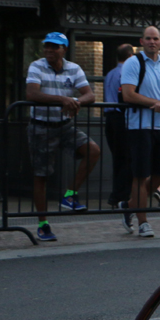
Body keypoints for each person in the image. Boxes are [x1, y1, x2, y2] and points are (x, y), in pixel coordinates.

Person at [23, 33, 99, 241]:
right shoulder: (36, 66)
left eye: (54, 47)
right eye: (46, 46)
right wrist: (63, 100)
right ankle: (43, 224)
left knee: (93, 150)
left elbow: (90, 94)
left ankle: (69, 196)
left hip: (65, 125)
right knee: (42, 176)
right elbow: (32, 94)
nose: (49, 50)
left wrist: (75, 102)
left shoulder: (73, 68)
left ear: (64, 49)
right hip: (41, 126)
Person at [120, 25, 160, 238]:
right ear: (141, 41)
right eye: (148, 38)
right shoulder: (132, 63)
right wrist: (159, 103)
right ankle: (143, 221)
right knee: (140, 174)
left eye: (155, 38)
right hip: (139, 126)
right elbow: (128, 94)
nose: (152, 42)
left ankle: (129, 205)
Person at [103, 43, 136, 210]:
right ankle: (119, 195)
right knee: (126, 158)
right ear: (130, 56)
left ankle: (117, 194)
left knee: (118, 157)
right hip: (120, 116)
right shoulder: (125, 73)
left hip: (109, 117)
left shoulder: (110, 73)